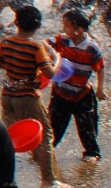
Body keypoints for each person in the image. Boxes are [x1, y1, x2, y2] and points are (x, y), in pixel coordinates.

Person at [0, 4, 68, 188]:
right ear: (39, 26)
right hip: (27, 97)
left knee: (7, 137)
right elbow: (50, 73)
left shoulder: (6, 42)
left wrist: (16, 70)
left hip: (8, 95)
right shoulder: (35, 46)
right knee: (45, 135)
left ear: (16, 22)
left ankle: (2, 178)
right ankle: (48, 181)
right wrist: (57, 59)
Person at [47, 9, 103, 164]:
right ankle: (47, 149)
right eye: (64, 26)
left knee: (87, 126)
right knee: (55, 124)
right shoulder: (61, 40)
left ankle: (92, 152)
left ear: (80, 30)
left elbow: (100, 67)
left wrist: (100, 89)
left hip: (83, 94)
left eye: (68, 27)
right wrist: (51, 55)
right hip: (61, 91)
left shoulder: (91, 47)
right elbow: (43, 46)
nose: (64, 30)